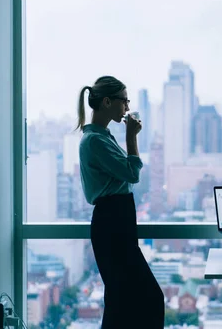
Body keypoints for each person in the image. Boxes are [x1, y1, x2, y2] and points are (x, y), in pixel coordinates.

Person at [76, 76, 164, 328]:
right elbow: (132, 174)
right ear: (106, 102)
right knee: (147, 299)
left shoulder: (100, 137)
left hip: (116, 221)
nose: (126, 106)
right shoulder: (96, 141)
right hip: (113, 222)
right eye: (123, 100)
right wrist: (131, 136)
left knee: (121, 301)